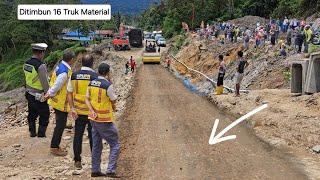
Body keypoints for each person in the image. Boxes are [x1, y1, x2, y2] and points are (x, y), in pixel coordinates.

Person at [85, 63, 120, 178]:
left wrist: (91, 110)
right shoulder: (107, 85)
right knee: (115, 144)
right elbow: (113, 99)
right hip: (104, 120)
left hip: (93, 119)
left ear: (98, 71)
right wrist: (114, 107)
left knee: (96, 145)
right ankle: (110, 170)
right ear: (107, 72)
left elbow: (87, 99)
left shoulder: (91, 83)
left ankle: (95, 170)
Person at [67, 54, 98, 169]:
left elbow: (69, 93)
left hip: (78, 112)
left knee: (78, 136)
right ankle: (94, 162)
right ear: (92, 63)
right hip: (92, 112)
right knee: (93, 136)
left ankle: (77, 161)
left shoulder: (74, 76)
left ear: (82, 63)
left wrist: (72, 108)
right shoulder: (95, 76)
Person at [46, 49, 75, 156]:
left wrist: (49, 94)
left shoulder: (60, 66)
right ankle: (54, 147)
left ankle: (55, 146)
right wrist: (49, 93)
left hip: (57, 101)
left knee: (60, 123)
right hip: (60, 102)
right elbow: (57, 85)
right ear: (71, 59)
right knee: (60, 125)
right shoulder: (64, 72)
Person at [23, 43, 50, 137]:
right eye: (43, 53)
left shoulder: (26, 63)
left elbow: (26, 78)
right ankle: (41, 134)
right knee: (45, 114)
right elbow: (45, 82)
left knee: (32, 113)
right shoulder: (41, 66)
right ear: (41, 53)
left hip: (29, 93)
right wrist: (48, 94)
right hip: (38, 94)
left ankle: (32, 132)